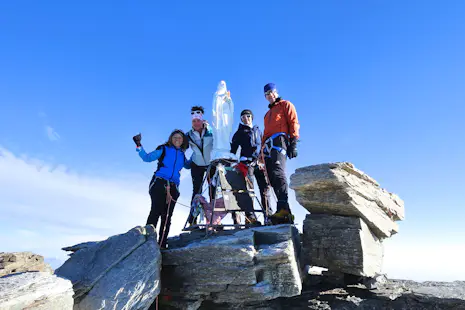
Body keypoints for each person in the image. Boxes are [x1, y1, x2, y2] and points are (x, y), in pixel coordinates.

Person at [133, 129, 191, 248]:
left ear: (183, 141)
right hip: (159, 183)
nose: (177, 140)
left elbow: (189, 165)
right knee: (156, 211)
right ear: (170, 138)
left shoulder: (182, 154)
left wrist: (199, 153)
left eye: (180, 138)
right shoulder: (163, 149)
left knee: (167, 216)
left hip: (174, 187)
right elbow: (147, 158)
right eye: (175, 137)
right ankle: (147, 242)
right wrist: (139, 145)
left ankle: (162, 244)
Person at [261, 83, 300, 224]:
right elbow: (265, 133)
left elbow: (293, 121)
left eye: (270, 92)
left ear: (276, 92)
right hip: (268, 145)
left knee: (278, 172)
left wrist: (294, 141)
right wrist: (261, 153)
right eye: (266, 94)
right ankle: (283, 210)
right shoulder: (267, 115)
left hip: (280, 140)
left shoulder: (285, 105)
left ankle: (283, 207)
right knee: (271, 177)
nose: (269, 96)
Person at [230, 109, 272, 225]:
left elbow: (262, 146)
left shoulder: (257, 130)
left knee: (265, 189)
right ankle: (250, 218)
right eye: (242, 117)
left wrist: (263, 159)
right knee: (249, 190)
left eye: (248, 116)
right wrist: (232, 161)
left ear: (251, 117)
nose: (245, 118)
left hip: (259, 163)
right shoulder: (239, 132)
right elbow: (233, 149)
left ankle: (269, 216)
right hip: (247, 164)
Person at [186, 106, 215, 225]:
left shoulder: (210, 131)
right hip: (197, 164)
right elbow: (181, 149)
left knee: (212, 189)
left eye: (198, 120)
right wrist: (185, 163)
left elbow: (218, 141)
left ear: (202, 120)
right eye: (194, 121)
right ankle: (193, 219)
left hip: (211, 164)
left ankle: (213, 218)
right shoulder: (188, 135)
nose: (196, 123)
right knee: (196, 191)